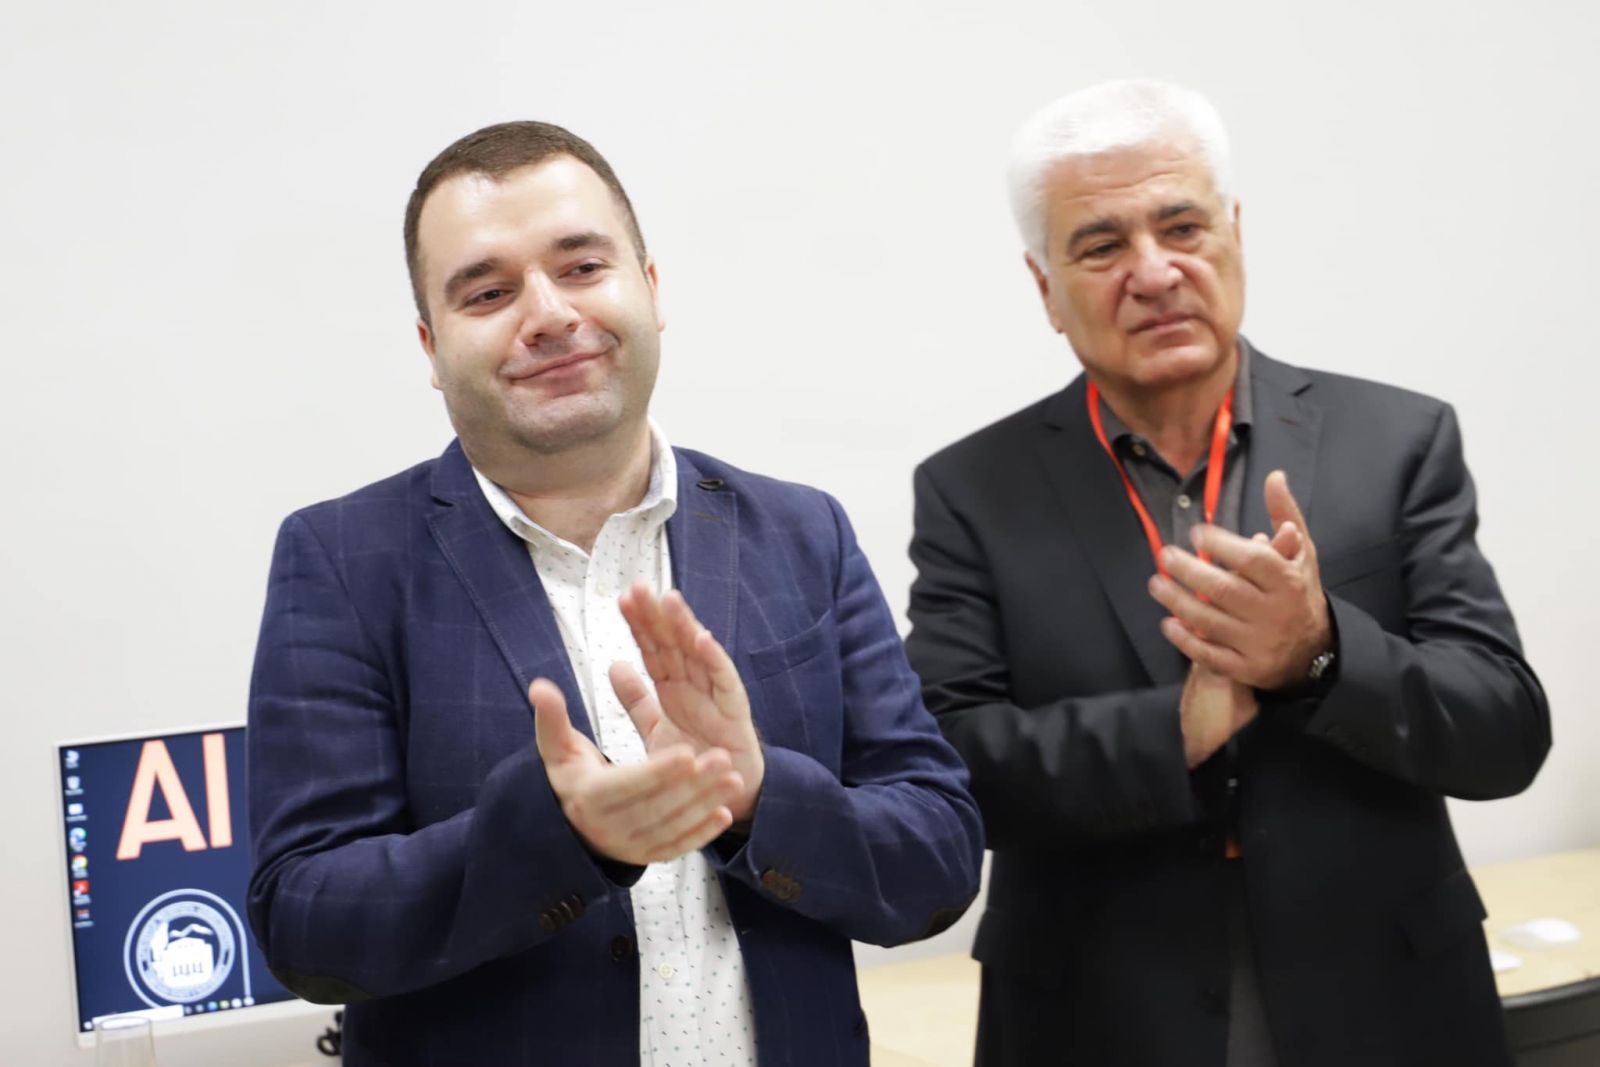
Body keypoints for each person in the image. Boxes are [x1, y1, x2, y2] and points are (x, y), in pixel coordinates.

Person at [247, 121, 983, 1067]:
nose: (549, 313)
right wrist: (559, 836)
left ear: (651, 288)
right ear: (432, 347)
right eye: (488, 292)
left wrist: (758, 795)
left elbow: (939, 854)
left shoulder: (804, 533)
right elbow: (304, 919)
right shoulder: (342, 560)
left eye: (582, 266)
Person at [904, 80, 1550, 1067]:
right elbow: (950, 767)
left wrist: (1321, 653)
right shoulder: (972, 490)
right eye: (1101, 245)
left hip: (1382, 994)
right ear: (1045, 288)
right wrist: (1170, 731)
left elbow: (1504, 730)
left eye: (1181, 227)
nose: (1154, 271)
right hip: (1099, 1010)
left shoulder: (1395, 441)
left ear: (1234, 234)